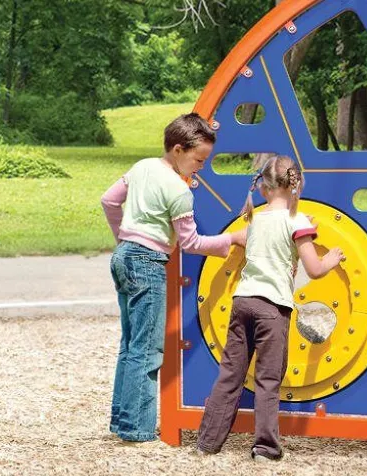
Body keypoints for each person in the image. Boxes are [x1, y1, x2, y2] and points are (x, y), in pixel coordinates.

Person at [101, 113, 246, 443]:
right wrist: (233, 240)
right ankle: (138, 430)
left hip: (123, 257)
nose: (201, 167)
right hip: (149, 263)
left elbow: (109, 200)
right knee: (148, 349)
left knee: (130, 345)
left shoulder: (142, 168)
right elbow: (192, 243)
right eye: (199, 159)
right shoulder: (179, 192)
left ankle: (125, 421)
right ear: (179, 149)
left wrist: (123, 238)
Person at [196, 154, 344, 461]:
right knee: (267, 379)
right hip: (272, 309)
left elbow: (240, 239)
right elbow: (314, 269)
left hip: (242, 302)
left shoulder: (256, 220)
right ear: (297, 184)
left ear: (263, 189)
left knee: (230, 374)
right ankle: (265, 448)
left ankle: (208, 441)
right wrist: (331, 258)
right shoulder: (297, 222)